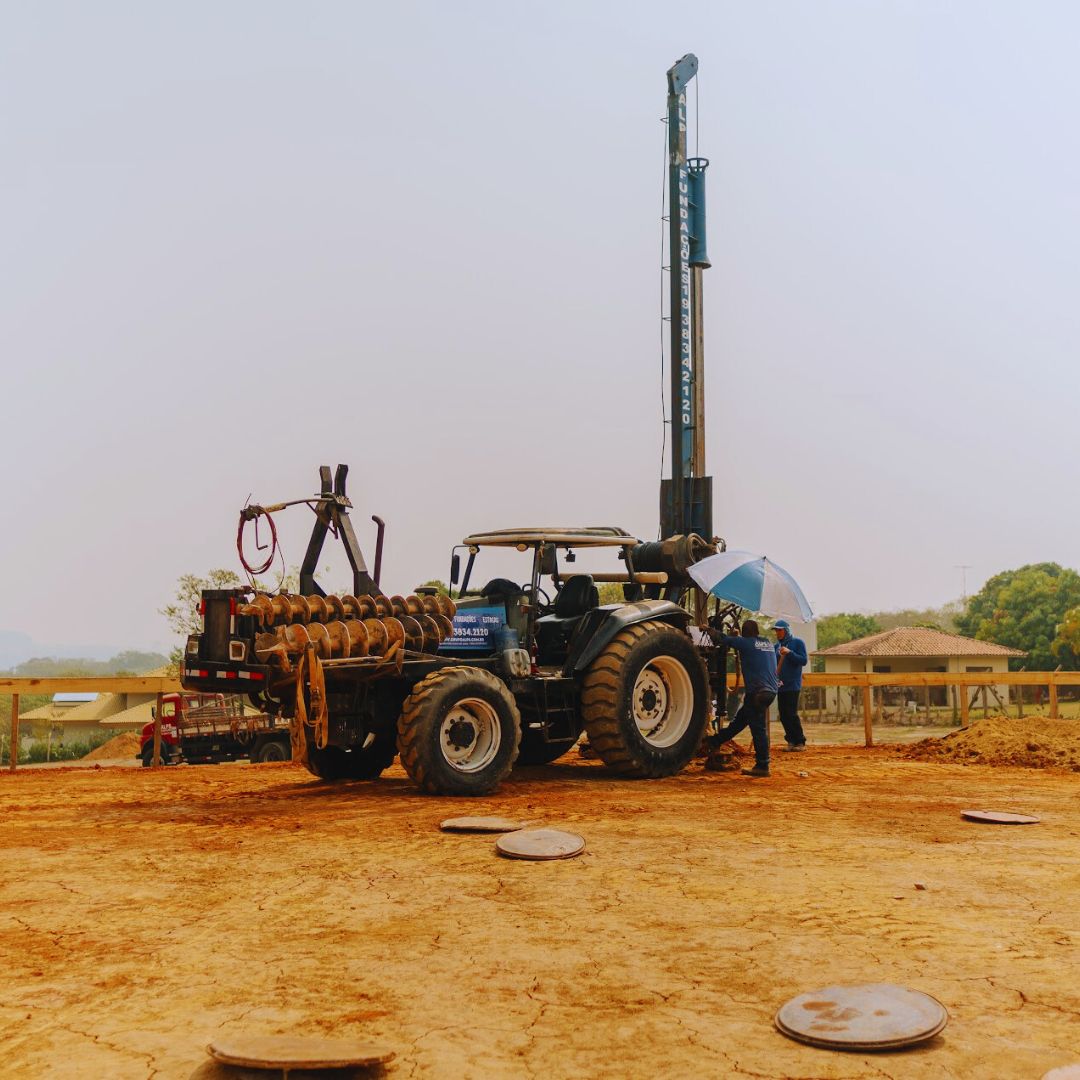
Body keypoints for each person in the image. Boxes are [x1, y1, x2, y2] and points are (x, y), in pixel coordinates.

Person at [712, 619, 778, 777]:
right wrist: (738, 639)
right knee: (741, 721)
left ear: (745, 633)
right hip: (770, 692)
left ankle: (763, 765)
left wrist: (709, 630)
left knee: (758, 730)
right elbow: (748, 645)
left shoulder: (746, 643)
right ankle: (714, 741)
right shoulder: (767, 643)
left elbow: (722, 639)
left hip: (757, 693)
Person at [773, 618, 808, 751]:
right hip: (780, 684)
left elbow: (803, 660)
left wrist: (790, 653)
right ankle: (791, 741)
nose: (777, 633)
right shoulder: (776, 647)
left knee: (791, 713)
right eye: (776, 630)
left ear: (786, 630)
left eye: (780, 630)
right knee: (783, 714)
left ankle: (800, 741)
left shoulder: (797, 643)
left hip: (793, 684)